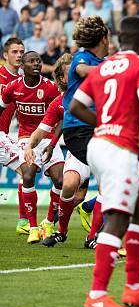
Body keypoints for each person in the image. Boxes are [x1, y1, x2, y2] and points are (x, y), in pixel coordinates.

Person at [71, 16, 139, 307]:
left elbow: (75, 106)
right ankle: (97, 294)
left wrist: (104, 123)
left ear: (118, 39)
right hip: (118, 148)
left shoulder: (104, 67)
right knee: (118, 220)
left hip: (101, 144)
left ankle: (133, 289)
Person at [24, 54, 91, 246]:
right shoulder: (59, 103)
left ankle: (95, 236)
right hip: (80, 151)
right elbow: (42, 130)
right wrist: (30, 145)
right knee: (68, 186)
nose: (76, 74)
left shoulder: (97, 92)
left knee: (106, 190)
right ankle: (60, 230)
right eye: (70, 72)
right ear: (62, 78)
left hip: (105, 148)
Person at [0, 51, 64, 244]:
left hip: (48, 138)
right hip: (26, 139)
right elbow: (1, 108)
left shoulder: (51, 88)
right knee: (27, 174)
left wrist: (53, 142)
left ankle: (49, 222)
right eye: (32, 61)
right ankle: (33, 228)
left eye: (38, 61)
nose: (36, 64)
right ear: (23, 67)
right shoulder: (12, 88)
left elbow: (62, 116)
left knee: (60, 180)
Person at [62, 16, 108, 249]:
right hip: (78, 129)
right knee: (111, 176)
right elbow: (81, 70)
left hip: (96, 128)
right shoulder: (83, 57)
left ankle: (94, 232)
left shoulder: (105, 61)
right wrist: (110, 69)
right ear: (104, 38)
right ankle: (92, 233)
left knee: (110, 179)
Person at [0, 38, 27, 235]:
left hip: (5, 134)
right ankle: (24, 221)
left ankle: (24, 221)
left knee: (27, 170)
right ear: (5, 55)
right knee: (26, 169)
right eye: (15, 51)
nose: (19, 55)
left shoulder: (22, 81)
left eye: (21, 52)